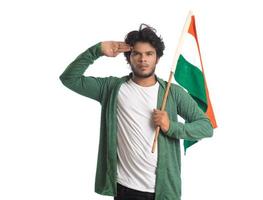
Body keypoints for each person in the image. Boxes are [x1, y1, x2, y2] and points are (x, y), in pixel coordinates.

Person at [59, 24, 213, 200]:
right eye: (137, 54)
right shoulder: (111, 88)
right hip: (124, 188)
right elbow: (69, 79)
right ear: (129, 58)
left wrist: (171, 126)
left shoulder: (172, 93)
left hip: (162, 192)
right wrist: (98, 50)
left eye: (149, 54)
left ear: (157, 58)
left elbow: (205, 127)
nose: (143, 59)